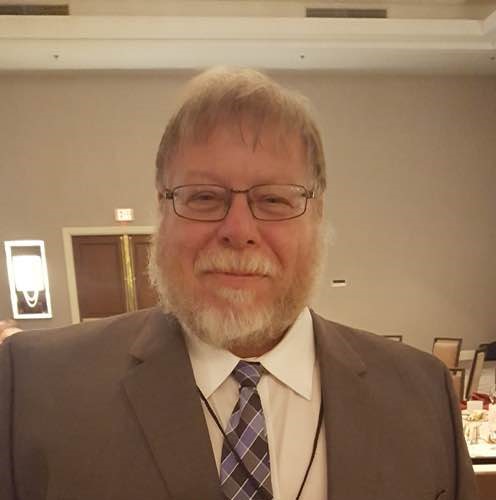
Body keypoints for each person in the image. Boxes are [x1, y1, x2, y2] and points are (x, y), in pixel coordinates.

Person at [0, 68, 477, 500]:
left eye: (274, 199)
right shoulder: (35, 387)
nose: (239, 229)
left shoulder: (422, 393)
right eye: (204, 197)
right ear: (162, 210)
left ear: (317, 215)